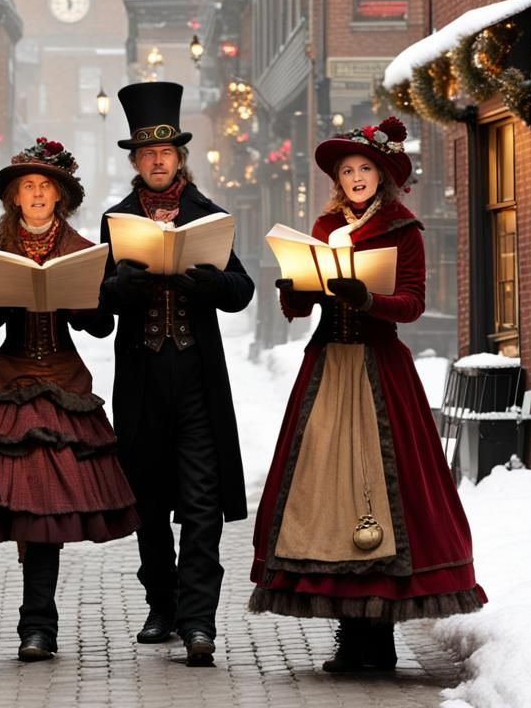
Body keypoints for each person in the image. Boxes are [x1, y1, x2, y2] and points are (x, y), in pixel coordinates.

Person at [249, 115, 486, 672]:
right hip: (329, 365)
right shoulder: (325, 223)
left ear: (383, 174)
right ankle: (349, 638)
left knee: (384, 491)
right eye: (347, 170)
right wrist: (294, 289)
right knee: (328, 494)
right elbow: (301, 310)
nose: (355, 176)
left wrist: (368, 299)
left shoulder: (405, 231)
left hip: (380, 371)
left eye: (364, 168)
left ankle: (377, 639)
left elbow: (412, 304)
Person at [0, 137, 139, 662]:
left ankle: (38, 624)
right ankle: (35, 623)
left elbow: (102, 326)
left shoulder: (85, 250)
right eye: (27, 187)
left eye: (45, 187)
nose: (36, 195)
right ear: (14, 198)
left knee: (48, 508)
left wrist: (79, 296)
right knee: (23, 504)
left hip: (63, 382)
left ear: (59, 197)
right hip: (13, 381)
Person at [99, 82, 255, 666]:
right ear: (136, 161)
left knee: (200, 504)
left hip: (196, 383)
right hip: (140, 382)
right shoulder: (116, 220)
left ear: (179, 157)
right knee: (148, 501)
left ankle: (198, 623)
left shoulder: (209, 216)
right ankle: (160, 604)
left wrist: (215, 283)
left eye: (166, 153)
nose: (157, 161)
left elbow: (241, 291)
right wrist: (120, 287)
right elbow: (93, 309)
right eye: (147, 154)